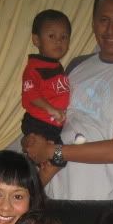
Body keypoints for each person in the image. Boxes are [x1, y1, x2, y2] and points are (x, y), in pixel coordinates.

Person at [22, 0, 113, 200]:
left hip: (100, 204)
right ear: (93, 24)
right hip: (51, 195)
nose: (110, 30)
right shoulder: (75, 66)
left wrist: (52, 151)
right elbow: (51, 117)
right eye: (103, 20)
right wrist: (32, 141)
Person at [21, 9, 71, 145]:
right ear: (36, 40)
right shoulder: (34, 67)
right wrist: (51, 109)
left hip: (53, 125)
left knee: (57, 153)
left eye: (64, 37)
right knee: (57, 154)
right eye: (51, 36)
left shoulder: (56, 67)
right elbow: (31, 94)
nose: (58, 41)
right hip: (38, 123)